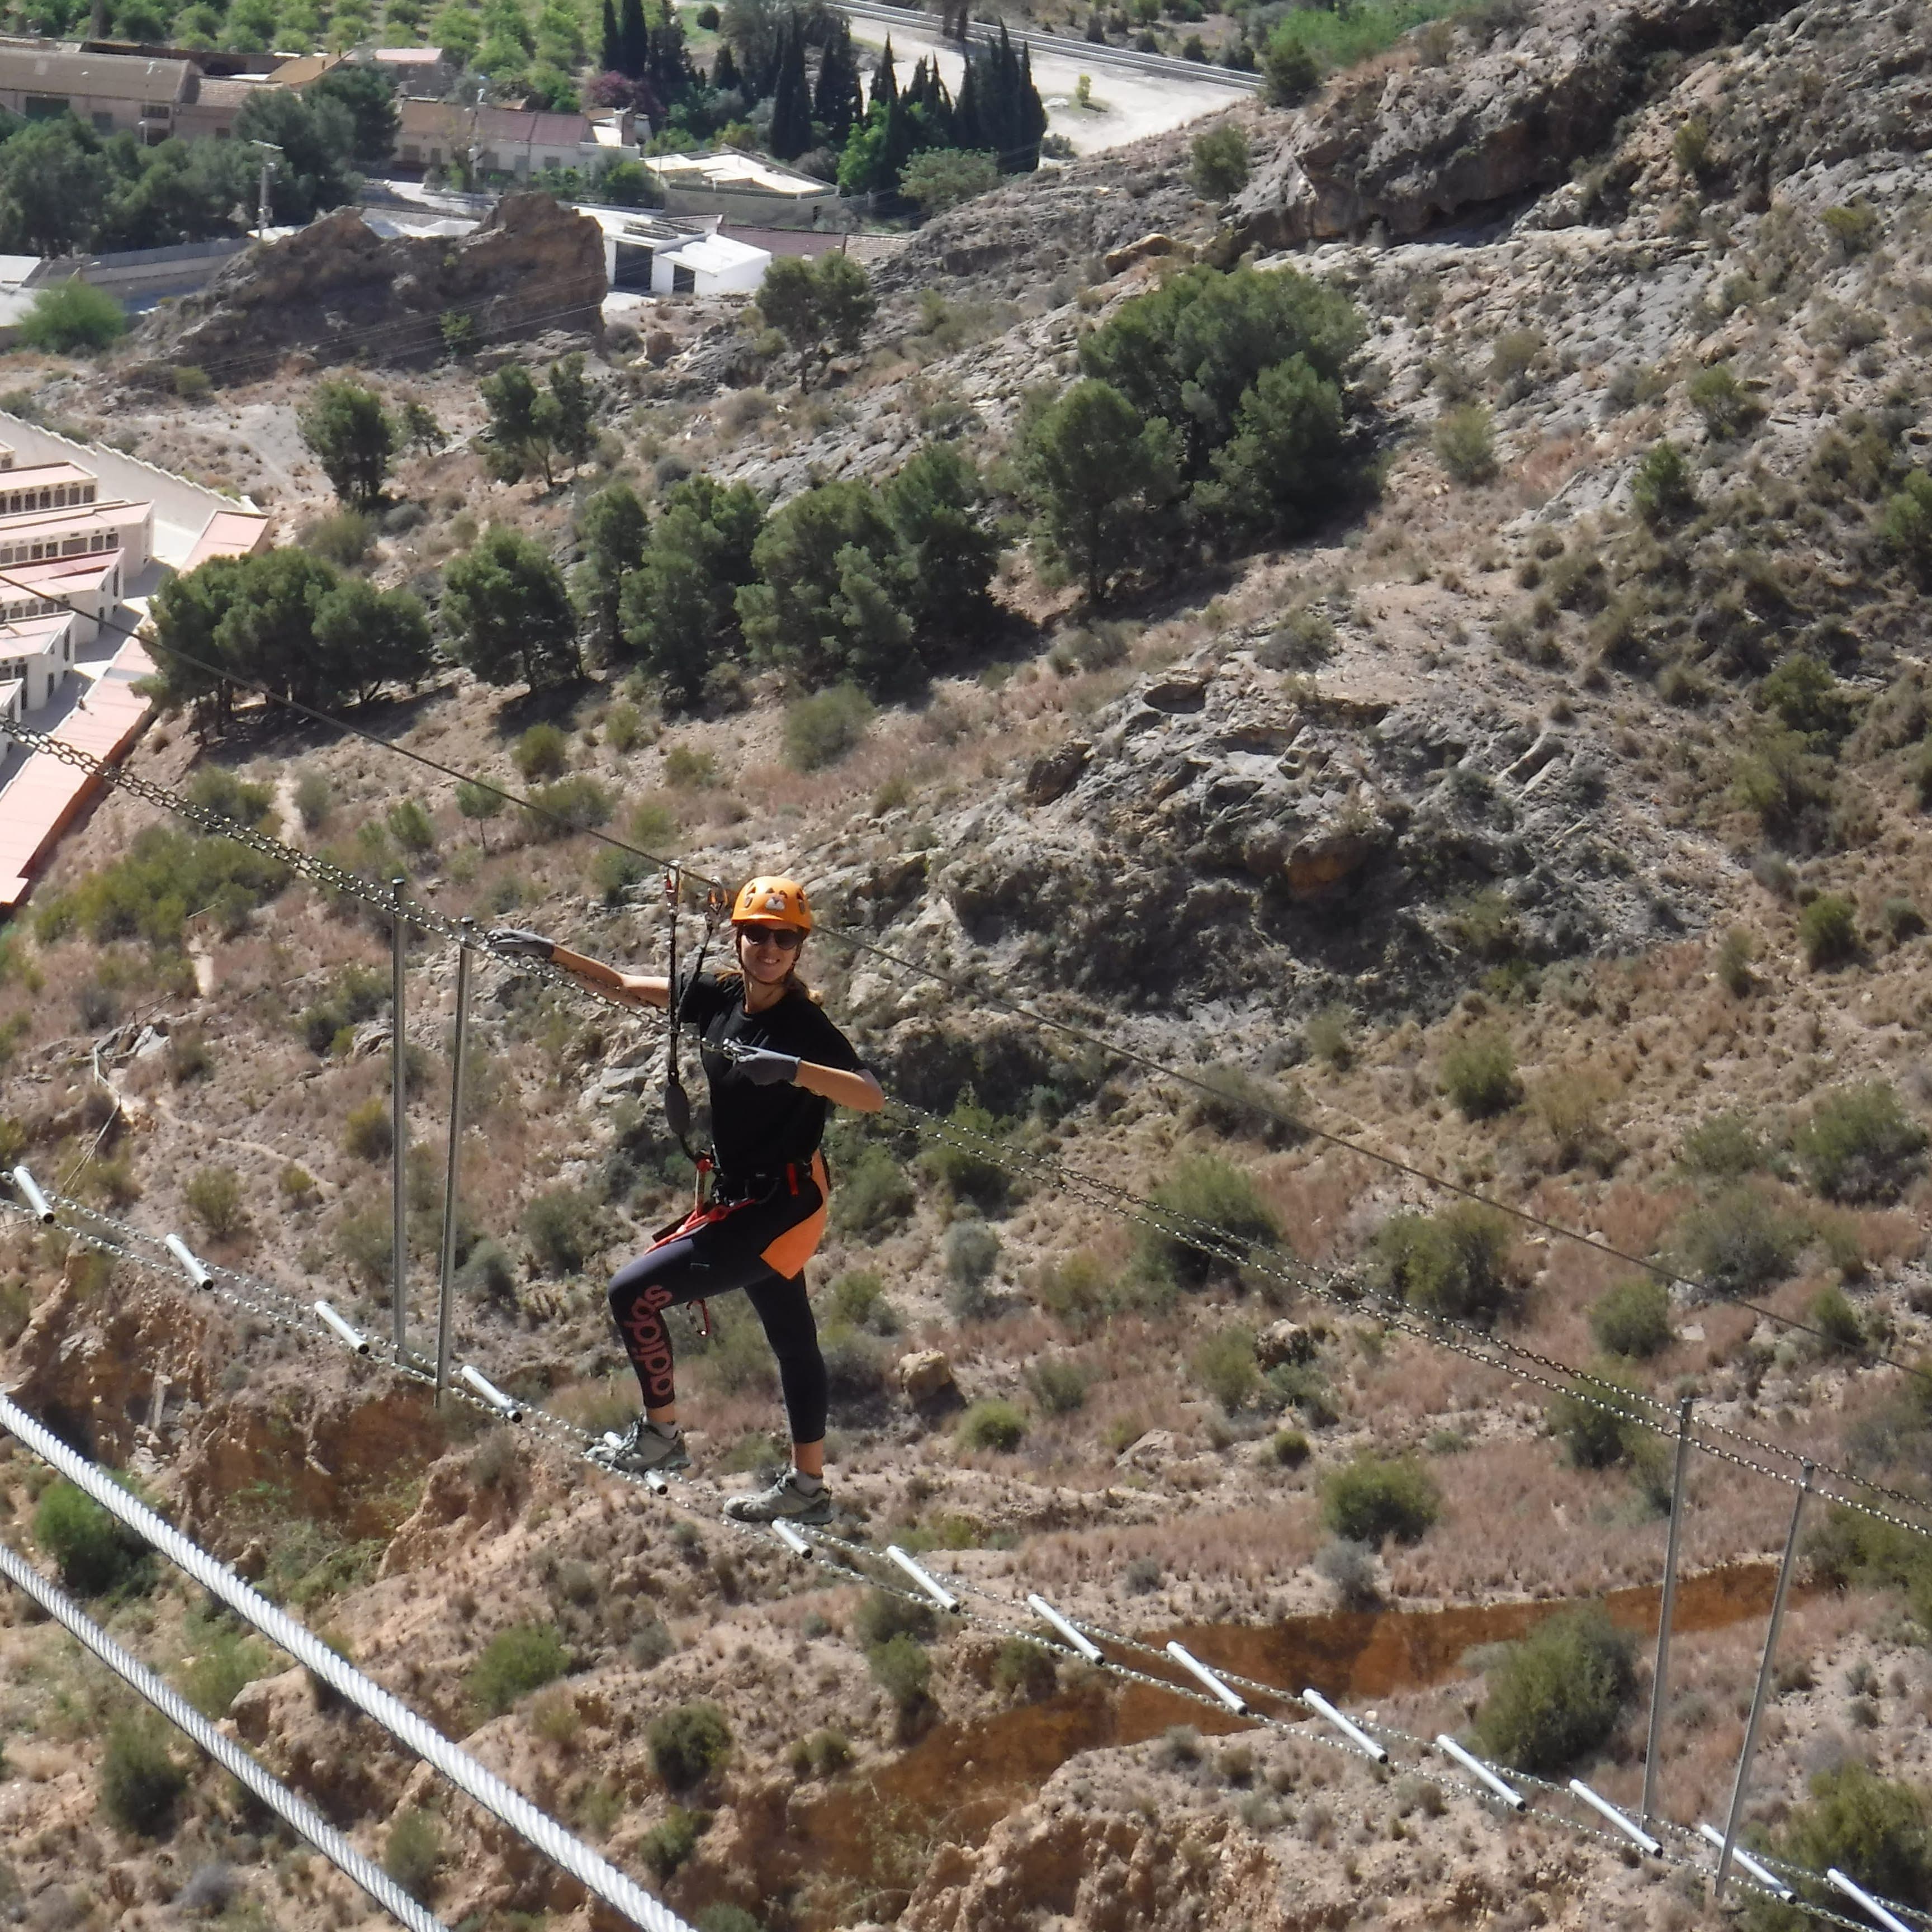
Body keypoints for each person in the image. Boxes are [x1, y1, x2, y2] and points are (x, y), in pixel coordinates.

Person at [490, 875, 882, 1524]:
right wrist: (554, 954)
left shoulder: (803, 1024)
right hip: (748, 1200)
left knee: (631, 1293)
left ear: (799, 948)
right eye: (757, 933)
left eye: (784, 938)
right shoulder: (722, 997)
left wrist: (791, 1070)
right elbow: (623, 987)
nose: (769, 947)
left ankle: (662, 1437)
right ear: (739, 937)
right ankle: (808, 1489)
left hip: (781, 1206)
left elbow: (869, 1094)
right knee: (793, 1339)